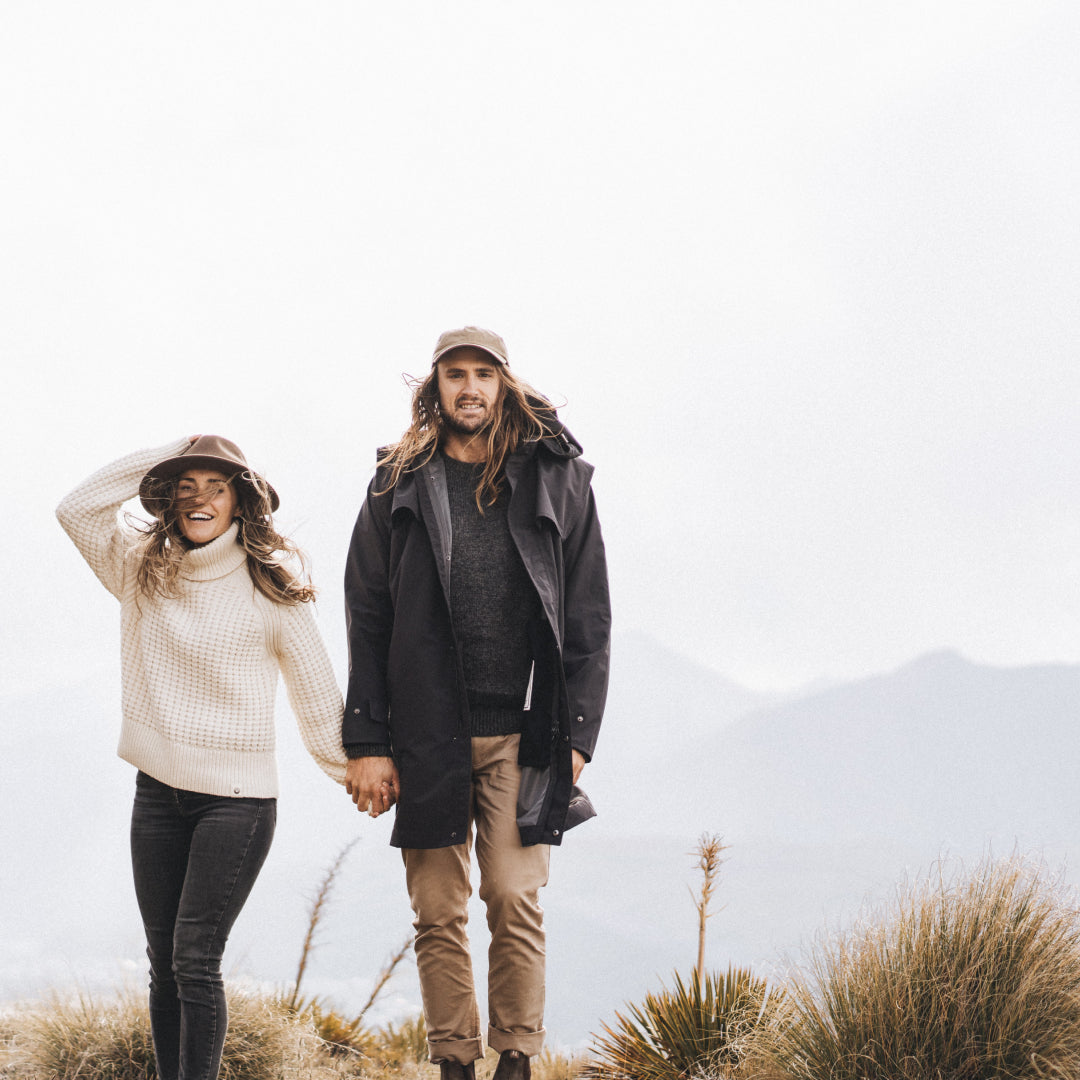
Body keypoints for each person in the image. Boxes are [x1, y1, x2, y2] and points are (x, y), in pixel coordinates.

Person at [343, 327, 611, 1080]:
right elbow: (365, 612)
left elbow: (589, 617)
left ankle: (517, 1057)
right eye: (455, 374)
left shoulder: (560, 481)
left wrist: (577, 738)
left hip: (524, 733)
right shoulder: (396, 482)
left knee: (512, 895)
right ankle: (455, 1062)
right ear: (435, 388)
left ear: (503, 386)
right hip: (424, 732)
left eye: (482, 375)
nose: (469, 388)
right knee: (437, 910)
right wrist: (367, 741)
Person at [56, 435, 347, 1080]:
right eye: (184, 487)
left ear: (241, 500)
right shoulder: (139, 568)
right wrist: (173, 452)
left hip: (236, 804)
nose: (199, 499)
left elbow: (320, 700)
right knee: (164, 961)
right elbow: (75, 509)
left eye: (216, 486)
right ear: (165, 501)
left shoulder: (270, 587)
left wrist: (356, 772)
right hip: (156, 794)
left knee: (194, 960)